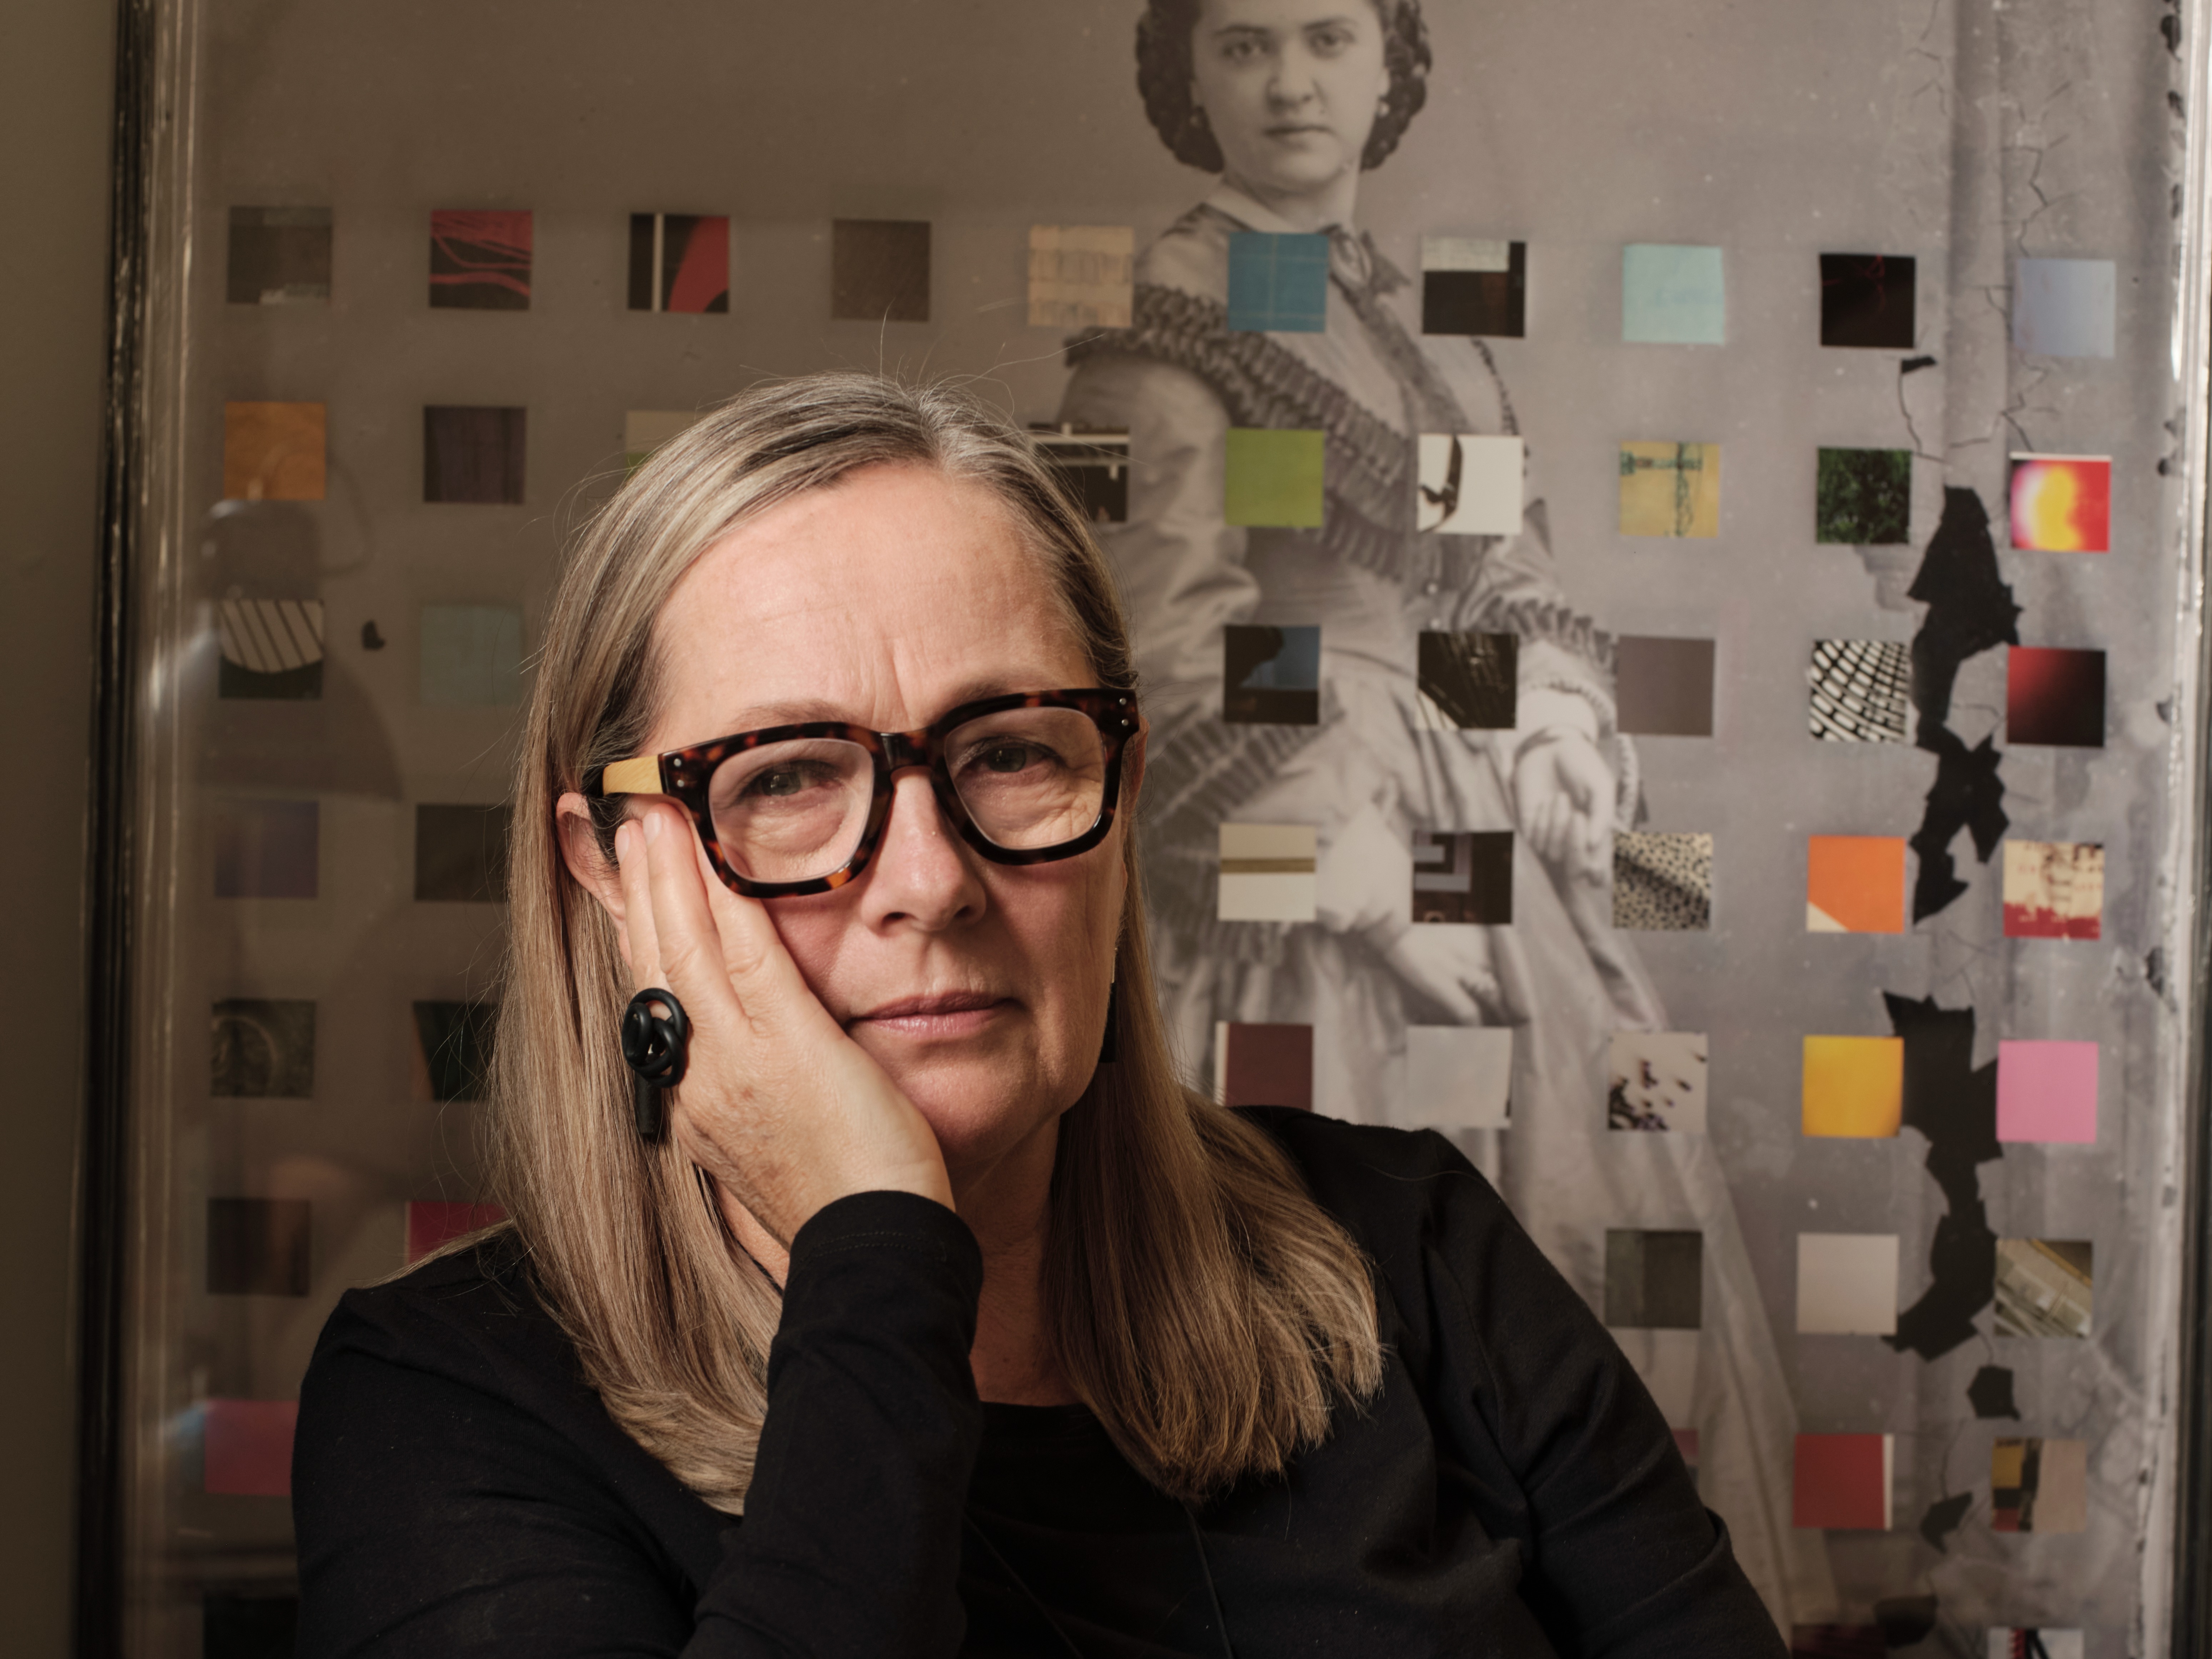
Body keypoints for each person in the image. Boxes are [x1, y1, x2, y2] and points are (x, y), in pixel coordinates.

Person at [291, 372, 1780, 1655]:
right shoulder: (443, 1407)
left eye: (1010, 752)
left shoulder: (1418, 1253)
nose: (930, 880)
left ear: (1124, 799)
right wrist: (876, 1241)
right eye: (789, 779)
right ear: (614, 866)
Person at [1057, 0, 1832, 1618]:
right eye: (1245, 43)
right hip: (1296, 868)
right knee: (1333, 1319)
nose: (1288, 83)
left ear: (1392, 67)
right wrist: (1353, 870)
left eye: (1329, 38)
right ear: (1183, 75)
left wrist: (1544, 720)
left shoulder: (1414, 319)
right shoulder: (1169, 308)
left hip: (1469, 824)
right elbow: (1160, 647)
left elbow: (1490, 580)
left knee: (1558, 1285)